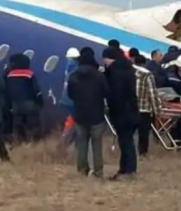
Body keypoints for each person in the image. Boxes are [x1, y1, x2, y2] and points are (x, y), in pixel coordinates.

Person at [67, 49, 110, 178]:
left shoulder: (74, 75)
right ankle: (98, 171)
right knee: (97, 144)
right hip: (96, 114)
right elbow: (106, 92)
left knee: (82, 144)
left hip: (80, 114)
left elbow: (70, 94)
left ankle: (82, 170)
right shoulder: (99, 75)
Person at [102, 48, 139, 180]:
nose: (104, 62)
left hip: (122, 112)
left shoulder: (115, 73)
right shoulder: (129, 69)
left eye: (105, 59)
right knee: (127, 141)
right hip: (132, 111)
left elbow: (115, 95)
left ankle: (128, 170)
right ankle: (126, 169)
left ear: (111, 58)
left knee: (125, 142)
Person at [5, 54, 44, 144]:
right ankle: (34, 142)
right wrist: (40, 101)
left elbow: (7, 90)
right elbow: (36, 89)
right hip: (29, 103)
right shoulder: (29, 74)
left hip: (15, 104)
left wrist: (9, 104)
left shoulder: (10, 75)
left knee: (18, 124)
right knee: (33, 124)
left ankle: (19, 142)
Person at [133, 55, 161, 157]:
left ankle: (130, 153)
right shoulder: (147, 75)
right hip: (143, 109)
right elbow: (152, 93)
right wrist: (156, 110)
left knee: (129, 133)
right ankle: (142, 153)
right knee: (143, 134)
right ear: (145, 63)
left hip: (130, 108)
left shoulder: (127, 72)